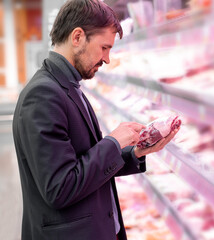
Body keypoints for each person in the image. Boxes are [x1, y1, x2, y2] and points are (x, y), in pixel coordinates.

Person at [12, 0, 179, 239]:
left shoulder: (68, 85)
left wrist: (135, 153)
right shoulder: (43, 95)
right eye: (104, 47)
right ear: (77, 37)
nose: (108, 59)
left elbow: (82, 161)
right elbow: (60, 187)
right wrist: (112, 142)